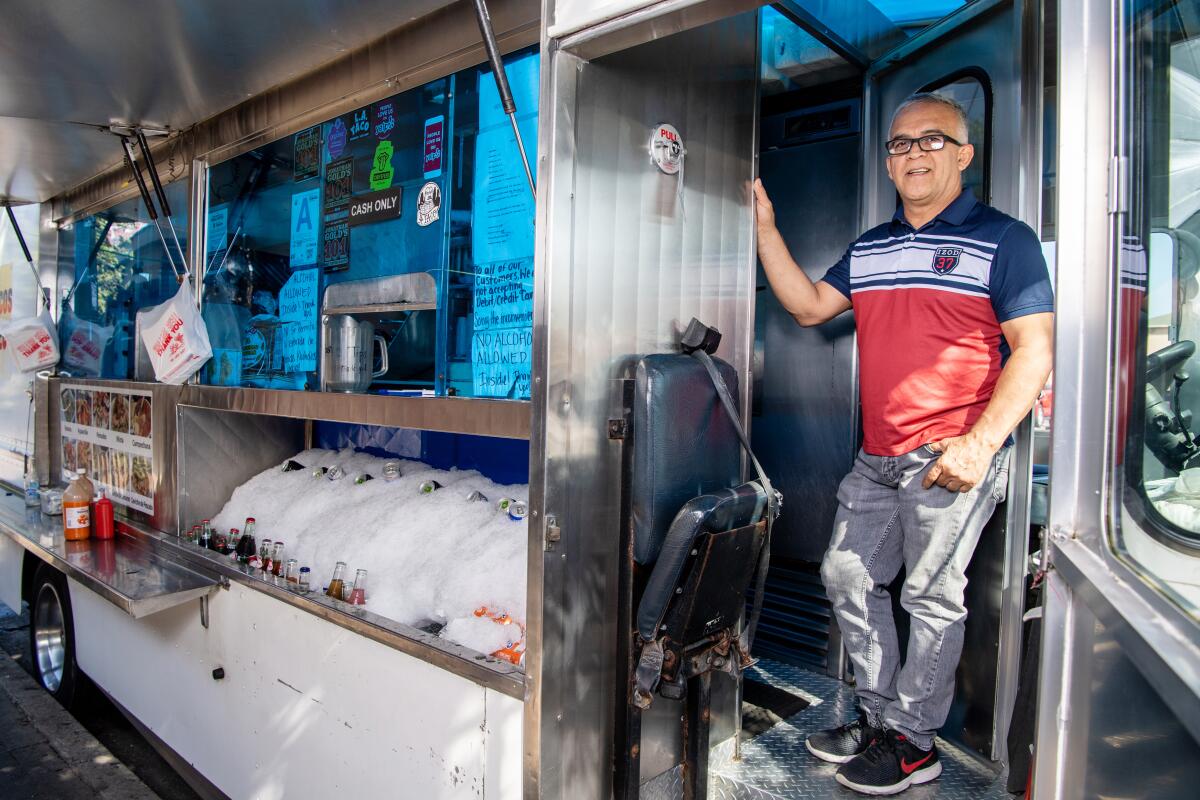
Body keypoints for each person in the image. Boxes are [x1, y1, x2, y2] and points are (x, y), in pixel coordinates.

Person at [754, 92, 1054, 796]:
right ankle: (879, 717)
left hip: (949, 456)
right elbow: (805, 307)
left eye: (931, 140)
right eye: (900, 144)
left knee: (930, 597)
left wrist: (980, 444)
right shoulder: (873, 247)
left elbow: (1034, 350)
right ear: (888, 161)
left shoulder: (1004, 240)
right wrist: (765, 227)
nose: (914, 152)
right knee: (848, 578)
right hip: (877, 458)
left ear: (963, 153)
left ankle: (915, 742)